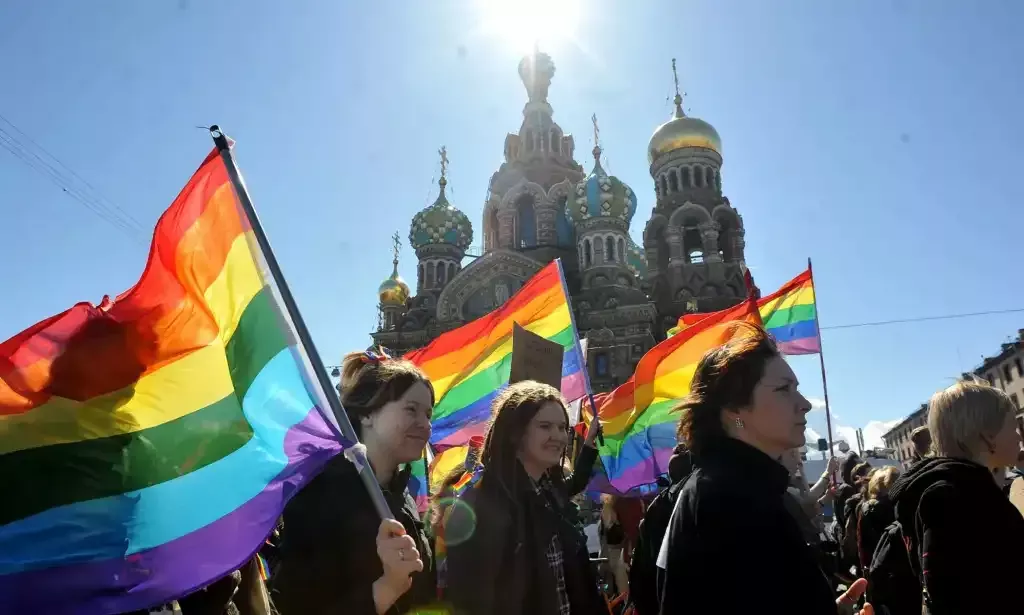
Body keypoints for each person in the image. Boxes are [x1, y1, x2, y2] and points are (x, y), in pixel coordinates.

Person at [658, 323, 871, 614]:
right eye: (784, 389)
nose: (805, 404)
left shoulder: (736, 487)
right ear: (734, 408)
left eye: (798, 389)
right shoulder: (730, 499)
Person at [272, 350, 437, 615]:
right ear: (366, 415)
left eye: (428, 414)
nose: (425, 424)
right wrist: (386, 588)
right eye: (411, 409)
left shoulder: (402, 495)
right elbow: (297, 605)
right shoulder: (319, 495)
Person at [444, 381, 606, 615]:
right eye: (545, 426)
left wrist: (589, 447)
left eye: (562, 427)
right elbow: (471, 600)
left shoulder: (550, 493)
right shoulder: (480, 503)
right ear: (514, 433)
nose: (558, 436)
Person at [889, 380, 1024, 614]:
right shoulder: (955, 496)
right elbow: (952, 594)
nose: (1018, 436)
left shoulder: (964, 487)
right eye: (1013, 427)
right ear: (988, 437)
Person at [855, 466, 899, 572]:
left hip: (876, 565)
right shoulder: (900, 504)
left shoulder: (865, 508)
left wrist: (865, 568)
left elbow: (862, 543)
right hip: (901, 565)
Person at [599, 494, 629, 597]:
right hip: (616, 554)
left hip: (607, 555)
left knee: (609, 587)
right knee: (623, 589)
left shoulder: (606, 510)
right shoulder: (612, 510)